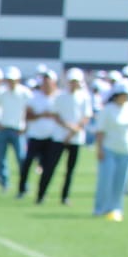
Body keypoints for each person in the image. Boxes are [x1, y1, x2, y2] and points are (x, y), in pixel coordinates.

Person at [93, 83, 128, 222]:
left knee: (121, 182)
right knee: (106, 180)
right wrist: (99, 149)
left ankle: (116, 208)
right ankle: (100, 208)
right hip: (109, 149)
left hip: (126, 150)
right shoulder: (107, 110)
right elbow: (100, 131)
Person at [52, 69, 93, 206]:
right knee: (51, 166)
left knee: (70, 170)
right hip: (60, 136)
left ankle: (65, 196)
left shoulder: (84, 97)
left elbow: (86, 117)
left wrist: (73, 131)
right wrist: (68, 127)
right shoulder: (60, 96)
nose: (74, 84)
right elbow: (56, 115)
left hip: (75, 137)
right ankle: (41, 194)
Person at [17, 71, 60, 200]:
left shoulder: (59, 98)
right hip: (35, 136)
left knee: (48, 167)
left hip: (52, 137)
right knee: (27, 163)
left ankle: (41, 193)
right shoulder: (34, 97)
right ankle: (22, 189)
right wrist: (41, 115)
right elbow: (28, 115)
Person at [0, 66, 30, 192]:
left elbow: (30, 110)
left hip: (18, 130)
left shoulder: (25, 93)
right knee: (2, 158)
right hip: (3, 129)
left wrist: (25, 125)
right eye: (9, 80)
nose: (11, 82)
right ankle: (4, 183)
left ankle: (23, 184)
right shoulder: (2, 93)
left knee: (21, 158)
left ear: (18, 80)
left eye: (13, 80)